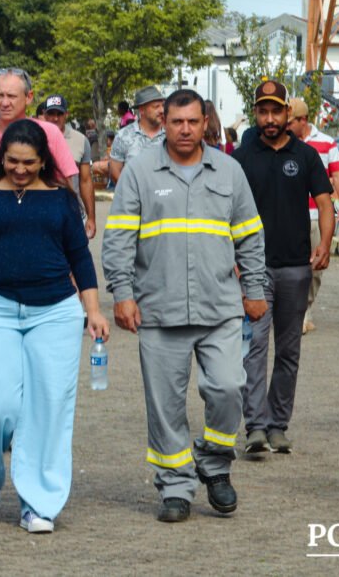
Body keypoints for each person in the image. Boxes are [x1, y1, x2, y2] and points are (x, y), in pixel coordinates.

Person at [101, 88, 268, 523]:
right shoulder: (140, 172)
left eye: (193, 121)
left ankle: (214, 464)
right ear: (164, 122)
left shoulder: (229, 171)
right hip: (159, 309)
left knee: (229, 387)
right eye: (177, 122)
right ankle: (175, 486)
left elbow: (250, 236)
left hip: (220, 308)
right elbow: (118, 238)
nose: (186, 129)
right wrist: (122, 294)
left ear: (204, 122)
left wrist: (254, 289)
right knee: (165, 406)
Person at [0, 119, 109, 533]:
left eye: (29, 163)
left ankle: (38, 503)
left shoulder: (61, 200)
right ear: (1, 157)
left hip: (55, 312)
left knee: (48, 407)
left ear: (43, 161)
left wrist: (93, 310)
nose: (20, 169)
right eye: (13, 161)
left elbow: (80, 258)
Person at [233, 81, 333, 456]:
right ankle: (256, 427)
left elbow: (325, 203)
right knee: (254, 348)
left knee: (289, 350)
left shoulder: (306, 156)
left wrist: (325, 243)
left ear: (288, 114)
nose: (270, 119)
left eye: (276, 111)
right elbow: (225, 211)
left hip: (295, 268)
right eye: (263, 111)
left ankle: (278, 425)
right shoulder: (241, 158)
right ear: (256, 114)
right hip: (253, 269)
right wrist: (232, 258)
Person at [0, 68, 78, 239]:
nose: (4, 102)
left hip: (43, 239)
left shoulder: (50, 134)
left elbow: (67, 192)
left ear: (29, 97)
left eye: (11, 96)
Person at [285, 97, 339, 334]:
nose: (286, 126)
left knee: (315, 267)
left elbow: (338, 175)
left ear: (303, 120)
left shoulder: (327, 144)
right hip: (288, 216)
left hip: (315, 215)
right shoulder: (281, 144)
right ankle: (292, 311)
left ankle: (304, 310)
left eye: (290, 122)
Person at [42, 94, 97, 238]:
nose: (55, 118)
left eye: (59, 114)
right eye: (51, 113)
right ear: (44, 114)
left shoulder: (81, 140)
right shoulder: (35, 138)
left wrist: (91, 217)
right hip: (42, 213)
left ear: (66, 114)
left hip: (73, 213)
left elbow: (85, 180)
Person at [109, 85, 166, 183]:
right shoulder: (123, 136)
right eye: (156, 107)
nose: (162, 110)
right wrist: (130, 190)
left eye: (163, 106)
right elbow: (115, 171)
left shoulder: (171, 133)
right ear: (142, 110)